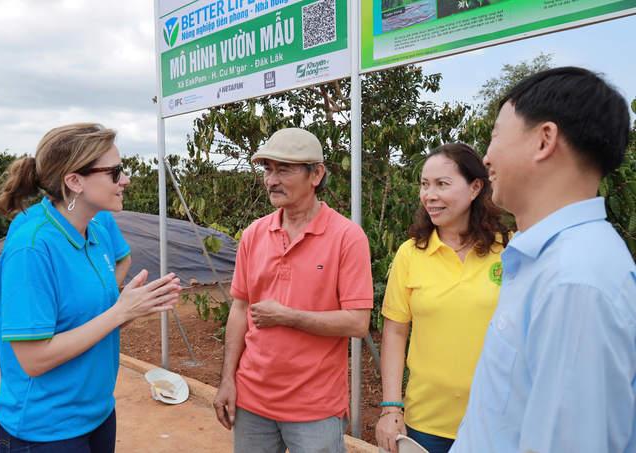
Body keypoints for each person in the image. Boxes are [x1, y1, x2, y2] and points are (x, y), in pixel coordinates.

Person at [450, 67, 636, 453]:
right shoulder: (545, 261)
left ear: (544, 140)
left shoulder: (576, 281)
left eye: (496, 134)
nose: (485, 156)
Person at [0, 123, 182, 453]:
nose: (125, 180)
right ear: (74, 181)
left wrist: (133, 308)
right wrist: (119, 312)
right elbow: (33, 360)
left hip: (98, 415)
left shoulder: (95, 233)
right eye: (115, 172)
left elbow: (89, 322)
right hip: (46, 430)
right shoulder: (32, 248)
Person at [212, 128, 374, 453]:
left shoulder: (347, 237)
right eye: (268, 169)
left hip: (314, 408)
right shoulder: (254, 234)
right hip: (252, 400)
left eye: (283, 169)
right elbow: (240, 309)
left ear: (316, 174)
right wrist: (228, 379)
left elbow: (358, 323)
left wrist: (287, 316)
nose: (271, 180)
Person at [375, 143, 512, 453]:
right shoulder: (411, 254)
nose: (429, 195)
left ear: (476, 187)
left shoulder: (509, 249)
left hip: (496, 420)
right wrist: (391, 408)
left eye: (441, 184)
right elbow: (395, 332)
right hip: (425, 424)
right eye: (425, 185)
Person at [5, 198, 132, 287]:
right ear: (73, 181)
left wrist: (109, 301)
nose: (124, 181)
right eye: (111, 172)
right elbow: (13, 280)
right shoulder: (26, 222)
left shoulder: (101, 220)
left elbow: (124, 259)